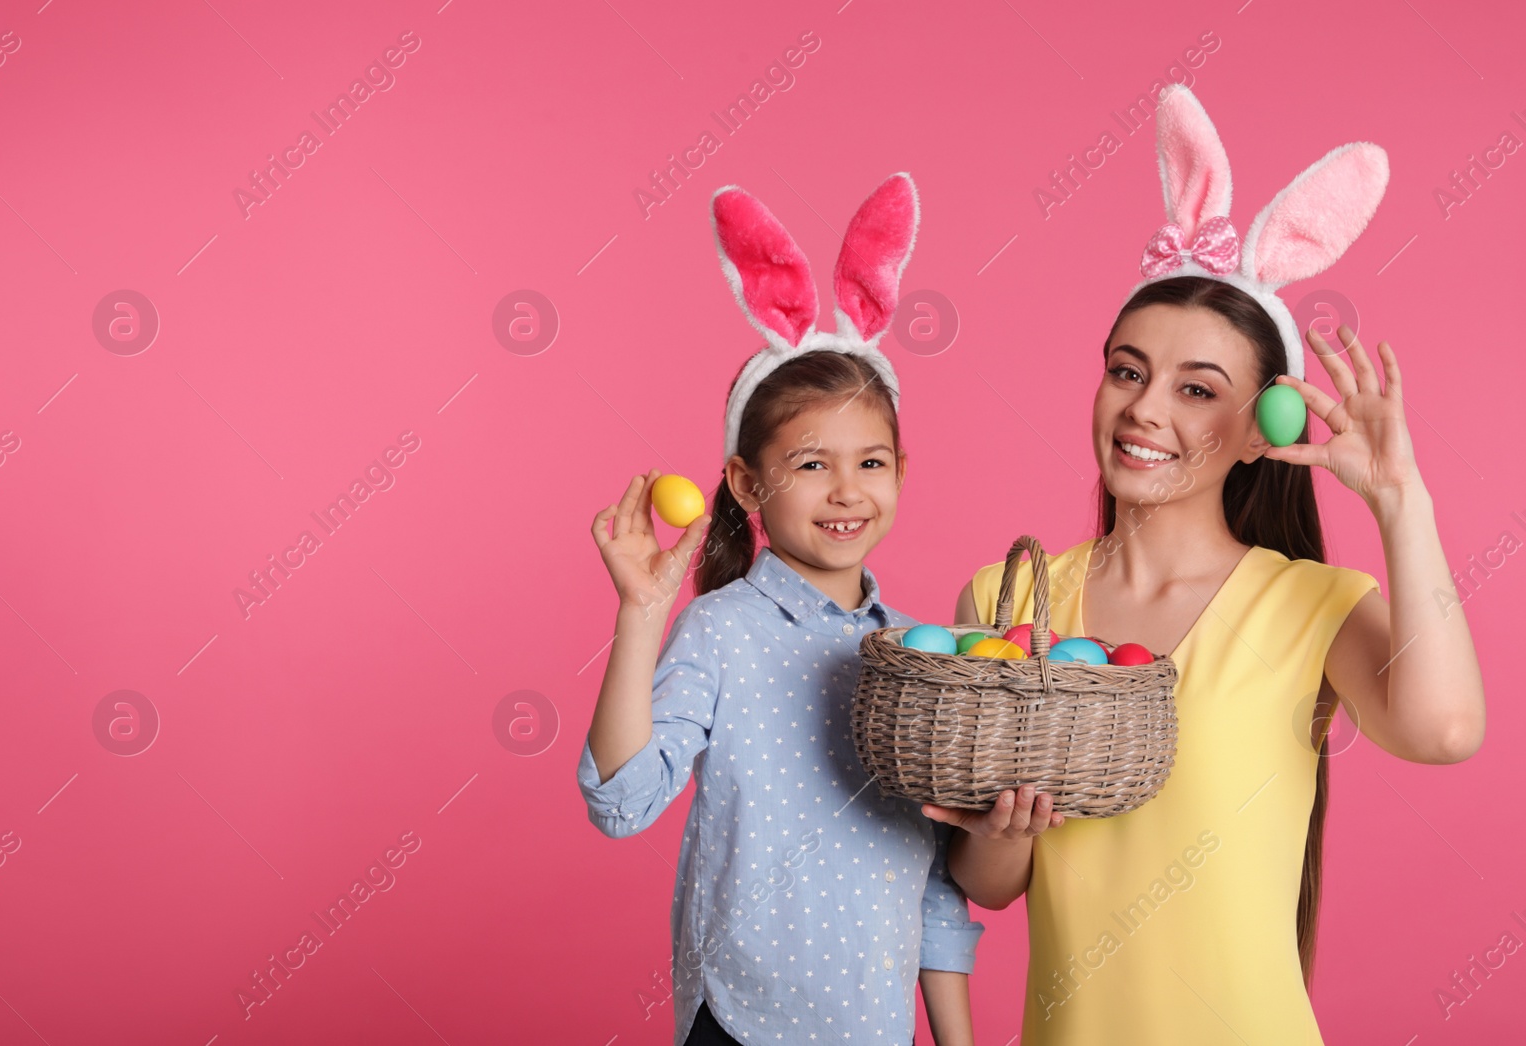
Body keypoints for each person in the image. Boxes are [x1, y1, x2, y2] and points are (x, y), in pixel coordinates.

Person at [925, 85, 1485, 1044]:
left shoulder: (1310, 605)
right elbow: (990, 884)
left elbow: (1444, 730)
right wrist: (1004, 835)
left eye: (1197, 389)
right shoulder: (1011, 599)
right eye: (1128, 370)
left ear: (1256, 427)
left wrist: (1402, 501)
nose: (1146, 410)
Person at [579, 174, 984, 1046]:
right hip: (741, 1025)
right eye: (810, 465)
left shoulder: (918, 657)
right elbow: (622, 802)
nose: (846, 491)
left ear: (901, 472)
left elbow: (937, 881)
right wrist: (642, 615)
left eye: (871, 463)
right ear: (745, 481)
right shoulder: (722, 631)